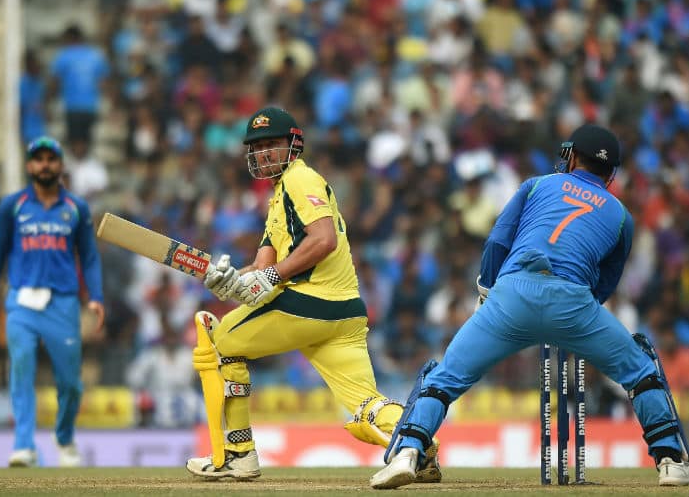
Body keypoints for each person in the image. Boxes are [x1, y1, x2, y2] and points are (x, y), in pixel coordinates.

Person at [371, 124, 689, 489]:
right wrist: (578, 324)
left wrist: (487, 294)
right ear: (612, 172)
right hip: (574, 303)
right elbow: (605, 283)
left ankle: (409, 452)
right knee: (641, 371)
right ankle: (670, 462)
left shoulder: (537, 185)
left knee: (444, 378)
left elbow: (496, 243)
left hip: (511, 296)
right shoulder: (620, 216)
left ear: (572, 157)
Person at [185, 107, 440, 481]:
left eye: (272, 144)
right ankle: (421, 448)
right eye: (257, 147)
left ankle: (238, 454)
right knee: (366, 406)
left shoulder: (299, 180)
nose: (264, 153)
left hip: (311, 303)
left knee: (221, 343)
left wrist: (268, 276)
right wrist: (229, 280)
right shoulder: (277, 199)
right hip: (344, 313)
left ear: (294, 146)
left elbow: (322, 241)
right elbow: (262, 267)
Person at [0, 136, 105, 468]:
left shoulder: (76, 208)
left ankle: (64, 438)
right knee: (21, 367)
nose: (45, 165)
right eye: (39, 159)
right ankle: (24, 445)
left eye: (51, 159)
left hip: (63, 303)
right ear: (30, 166)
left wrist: (97, 296)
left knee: (71, 383)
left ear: (60, 165)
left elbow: (89, 257)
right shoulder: (12, 206)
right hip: (21, 302)